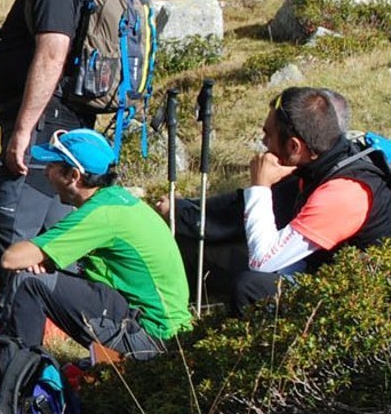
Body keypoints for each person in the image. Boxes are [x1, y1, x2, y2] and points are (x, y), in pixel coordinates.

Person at [157, 87, 391, 310]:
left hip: (362, 302)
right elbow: (239, 212)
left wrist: (260, 186)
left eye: (268, 135)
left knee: (250, 286)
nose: (264, 144)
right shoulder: (322, 164)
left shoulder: (343, 192)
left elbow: (263, 263)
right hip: (326, 272)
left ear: (294, 146)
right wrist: (185, 211)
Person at [0, 0, 99, 279]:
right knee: (57, 233)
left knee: (14, 231)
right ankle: (51, 324)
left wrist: (23, 129)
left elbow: (52, 52)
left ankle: (19, 332)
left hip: (45, 127)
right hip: (64, 124)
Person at [0, 129, 191, 358]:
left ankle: (17, 379)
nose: (47, 172)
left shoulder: (101, 215)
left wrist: (41, 260)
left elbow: (11, 258)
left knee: (27, 282)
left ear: (74, 176)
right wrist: (46, 261)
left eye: (52, 166)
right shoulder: (118, 200)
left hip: (150, 337)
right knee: (42, 278)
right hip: (167, 332)